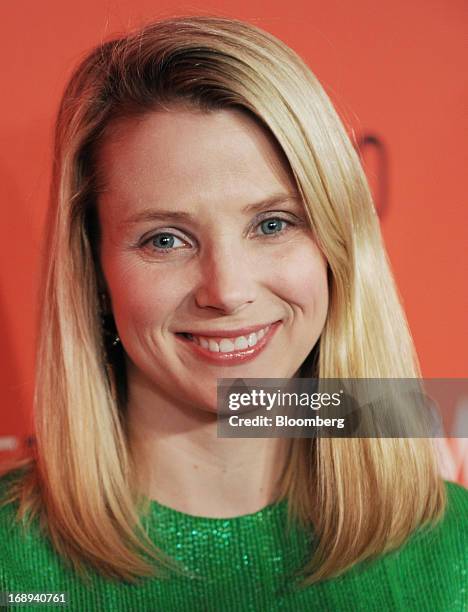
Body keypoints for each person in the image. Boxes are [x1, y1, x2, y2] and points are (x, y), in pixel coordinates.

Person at [0, 15, 466, 611]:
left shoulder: (454, 555)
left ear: (336, 246)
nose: (227, 289)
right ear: (93, 268)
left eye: (272, 224)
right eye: (165, 239)